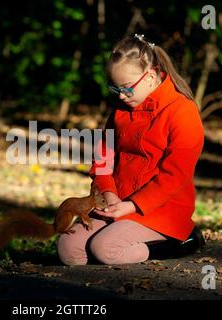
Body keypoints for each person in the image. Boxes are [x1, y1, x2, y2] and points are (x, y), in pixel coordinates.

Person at [57, 34, 205, 265]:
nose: (122, 96)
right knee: (68, 249)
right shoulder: (120, 109)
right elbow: (103, 159)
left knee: (105, 249)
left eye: (127, 88)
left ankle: (183, 242)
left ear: (151, 76)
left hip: (159, 209)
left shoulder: (182, 111)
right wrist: (109, 194)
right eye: (115, 89)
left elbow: (176, 176)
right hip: (117, 202)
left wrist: (132, 205)